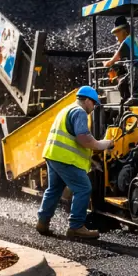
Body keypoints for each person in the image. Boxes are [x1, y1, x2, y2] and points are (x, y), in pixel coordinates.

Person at [36, 86, 115, 240]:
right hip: (65, 159)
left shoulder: (66, 109)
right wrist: (103, 144)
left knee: (54, 189)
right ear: (86, 100)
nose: (93, 108)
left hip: (53, 155)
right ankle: (76, 227)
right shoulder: (79, 112)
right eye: (94, 104)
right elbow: (83, 138)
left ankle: (42, 222)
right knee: (84, 188)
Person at [104, 16, 138, 106]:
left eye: (117, 33)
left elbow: (115, 58)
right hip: (137, 66)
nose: (116, 37)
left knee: (134, 76)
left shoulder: (127, 41)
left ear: (123, 31)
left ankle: (135, 97)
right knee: (123, 82)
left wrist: (107, 63)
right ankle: (126, 98)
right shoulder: (131, 39)